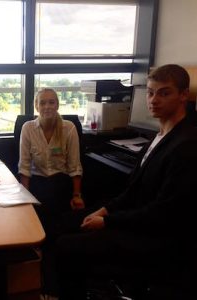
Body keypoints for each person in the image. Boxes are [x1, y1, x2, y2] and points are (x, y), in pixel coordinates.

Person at [55, 64, 197, 299]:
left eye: (164, 93)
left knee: (66, 246)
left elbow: (163, 214)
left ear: (183, 95)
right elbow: (133, 192)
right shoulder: (160, 135)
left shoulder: (187, 146)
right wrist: (105, 209)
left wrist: (107, 221)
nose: (154, 100)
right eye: (150, 92)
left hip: (156, 238)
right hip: (137, 218)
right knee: (63, 222)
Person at [18, 88, 84, 298]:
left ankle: (49, 280)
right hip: (37, 183)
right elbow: (25, 167)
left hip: (60, 182)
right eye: (43, 103)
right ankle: (49, 277)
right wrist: (24, 199)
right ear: (36, 106)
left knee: (51, 225)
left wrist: (76, 195)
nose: (48, 106)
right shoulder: (28, 128)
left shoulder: (69, 128)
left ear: (57, 105)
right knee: (48, 224)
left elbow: (74, 166)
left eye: (52, 102)